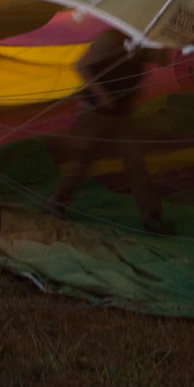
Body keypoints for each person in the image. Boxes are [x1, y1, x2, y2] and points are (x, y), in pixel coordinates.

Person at [47, 26, 174, 235]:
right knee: (81, 162)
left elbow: (164, 61)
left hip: (121, 114)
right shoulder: (110, 38)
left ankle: (152, 218)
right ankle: (56, 203)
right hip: (95, 112)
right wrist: (101, 94)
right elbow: (81, 66)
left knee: (136, 164)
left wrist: (164, 41)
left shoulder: (143, 41)